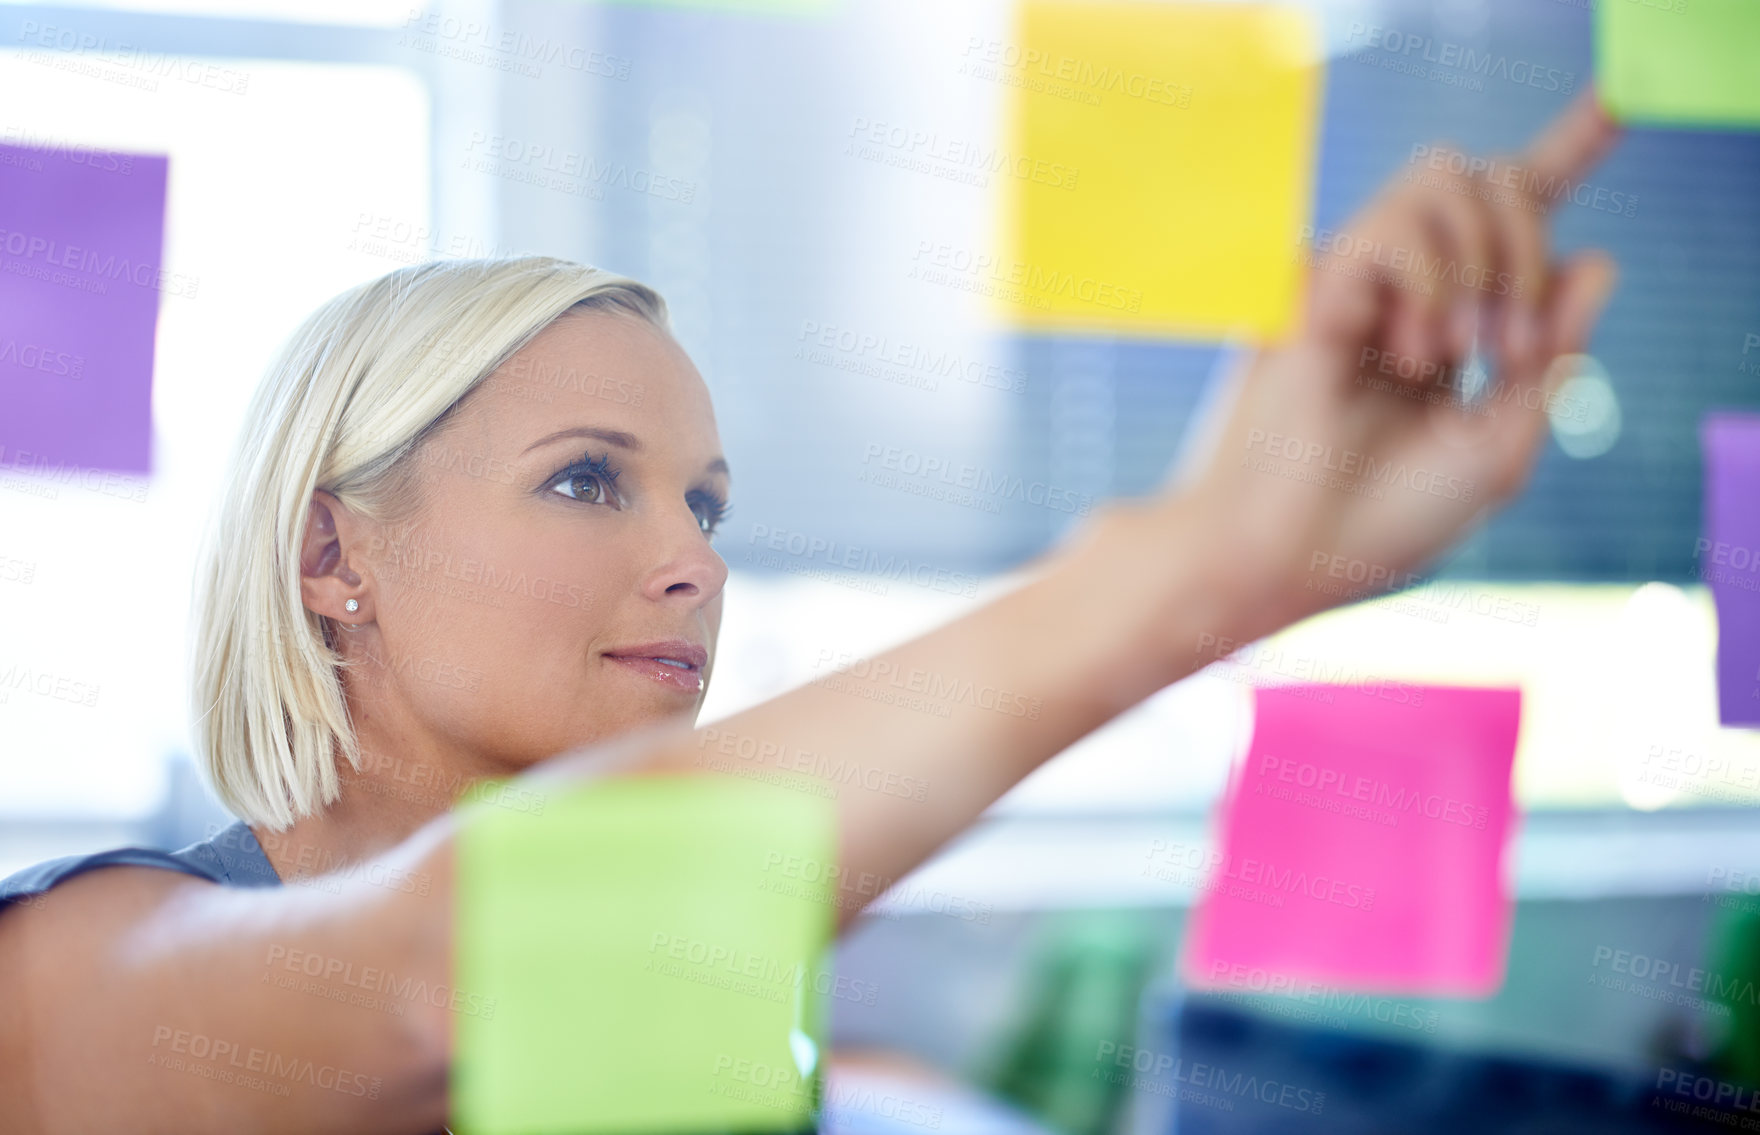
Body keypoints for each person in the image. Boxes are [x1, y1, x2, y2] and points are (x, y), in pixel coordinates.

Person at [0, 90, 1621, 1134]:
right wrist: (1200, 565)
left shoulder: (702, 993)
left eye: (704, 503)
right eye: (587, 481)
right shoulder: (72, 971)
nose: (694, 562)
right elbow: (465, 953)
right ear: (327, 559)